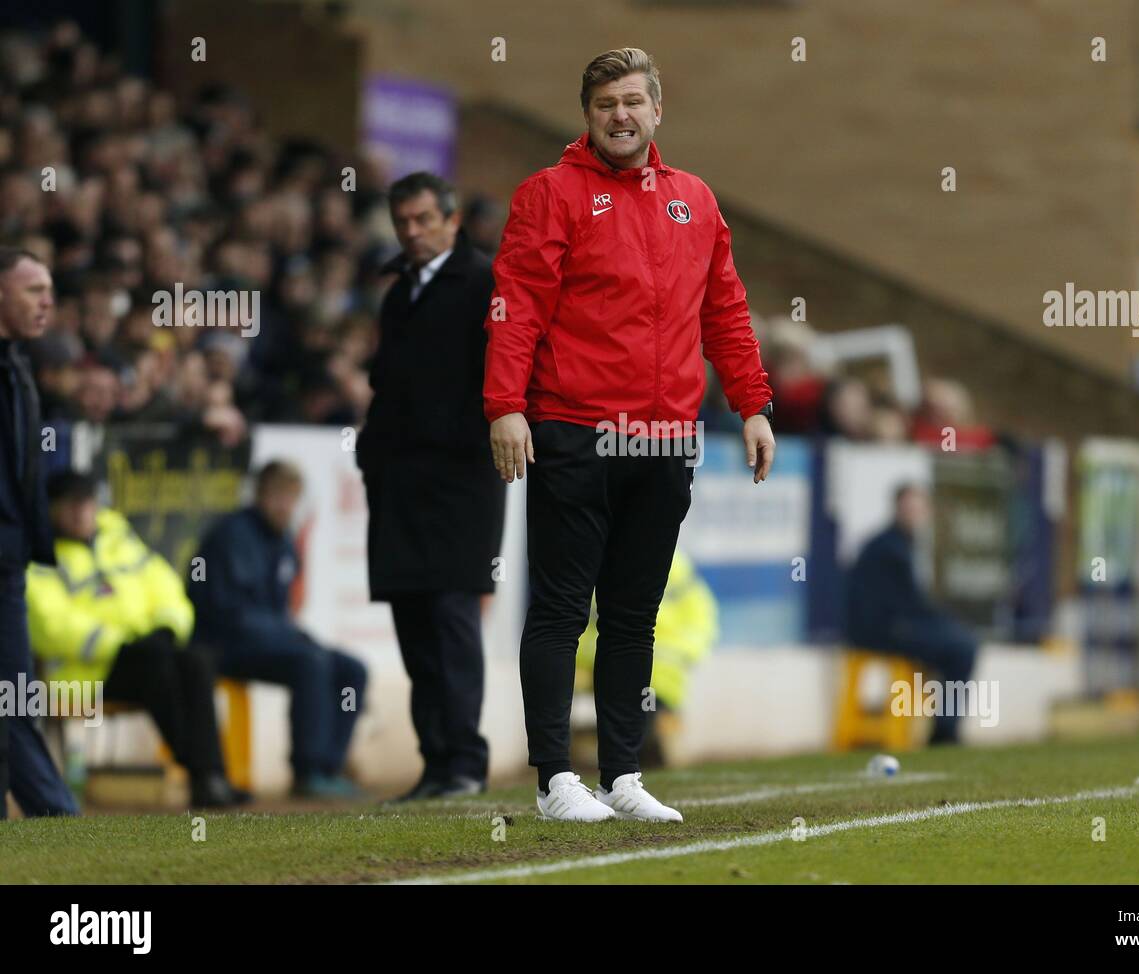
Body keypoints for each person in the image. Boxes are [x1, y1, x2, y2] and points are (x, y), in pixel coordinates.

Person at [485, 48, 775, 822]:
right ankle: (553, 779)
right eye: (605, 102)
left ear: (657, 110)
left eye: (632, 101)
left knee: (634, 614)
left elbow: (725, 310)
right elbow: (517, 303)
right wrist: (505, 405)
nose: (620, 114)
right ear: (587, 114)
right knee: (558, 609)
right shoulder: (550, 195)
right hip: (575, 429)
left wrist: (752, 403)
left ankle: (622, 775)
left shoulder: (697, 200)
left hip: (664, 437)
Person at [357, 172, 505, 800]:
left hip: (460, 484)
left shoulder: (483, 283)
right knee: (414, 621)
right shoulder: (399, 295)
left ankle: (465, 762)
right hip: (399, 484)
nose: (411, 233)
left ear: (451, 220)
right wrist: (372, 455)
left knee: (450, 620)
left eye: (422, 220)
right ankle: (437, 762)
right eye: (402, 222)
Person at [26, 471, 247, 808]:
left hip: (142, 659)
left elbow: (165, 586)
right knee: (156, 665)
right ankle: (202, 774)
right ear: (52, 509)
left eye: (85, 503)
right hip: (81, 676)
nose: (79, 512)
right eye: (69, 505)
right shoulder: (39, 554)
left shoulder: (120, 539)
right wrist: (119, 644)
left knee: (195, 659)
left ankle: (212, 775)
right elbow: (49, 625)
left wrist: (166, 629)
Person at [190, 461, 368, 798]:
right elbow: (229, 613)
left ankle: (330, 767)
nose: (285, 506)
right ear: (259, 495)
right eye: (278, 497)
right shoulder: (233, 536)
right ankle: (308, 770)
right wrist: (288, 637)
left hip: (268, 641)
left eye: (292, 498)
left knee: (351, 670)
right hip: (223, 645)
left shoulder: (284, 539)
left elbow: (279, 613)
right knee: (310, 661)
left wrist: (290, 635)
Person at [0, 247, 78, 818]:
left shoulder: (19, 367)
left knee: (15, 700)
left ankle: (53, 822)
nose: (47, 301)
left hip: (9, 564)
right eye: (33, 290)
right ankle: (60, 823)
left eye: (49, 289)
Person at [844, 484, 977, 745]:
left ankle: (944, 726)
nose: (913, 513)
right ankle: (945, 732)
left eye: (918, 508)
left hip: (887, 627)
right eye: (909, 507)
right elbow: (904, 605)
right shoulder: (889, 548)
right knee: (962, 648)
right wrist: (943, 621)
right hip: (880, 632)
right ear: (897, 509)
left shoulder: (898, 543)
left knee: (957, 643)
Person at [575, 549, 718, 767]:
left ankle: (642, 741)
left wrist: (684, 652)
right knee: (633, 712)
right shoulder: (603, 561)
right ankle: (629, 744)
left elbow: (701, 615)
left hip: (658, 671)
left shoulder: (673, 564)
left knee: (642, 710)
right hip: (613, 664)